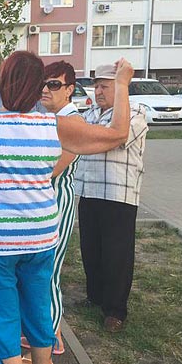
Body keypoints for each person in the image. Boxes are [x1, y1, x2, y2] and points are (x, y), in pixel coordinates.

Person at [0, 52, 134, 364]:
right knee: (38, 313)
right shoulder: (54, 125)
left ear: (2, 82)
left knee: (3, 322)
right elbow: (117, 135)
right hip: (40, 240)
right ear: (39, 87)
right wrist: (123, 85)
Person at [75, 63, 148, 333]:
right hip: (89, 191)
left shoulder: (135, 112)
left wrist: (93, 138)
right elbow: (80, 140)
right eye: (96, 86)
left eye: (105, 86)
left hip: (119, 194)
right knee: (91, 249)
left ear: (121, 88)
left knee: (117, 255)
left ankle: (115, 311)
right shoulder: (90, 114)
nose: (98, 91)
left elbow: (116, 138)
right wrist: (92, 138)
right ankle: (94, 296)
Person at [21, 61, 81, 364]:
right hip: (43, 203)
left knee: (48, 272)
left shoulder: (72, 122)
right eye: (43, 83)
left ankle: (46, 346)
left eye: (54, 84)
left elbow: (50, 169)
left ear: (70, 89)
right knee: (39, 272)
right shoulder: (50, 118)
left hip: (56, 200)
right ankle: (48, 334)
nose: (45, 89)